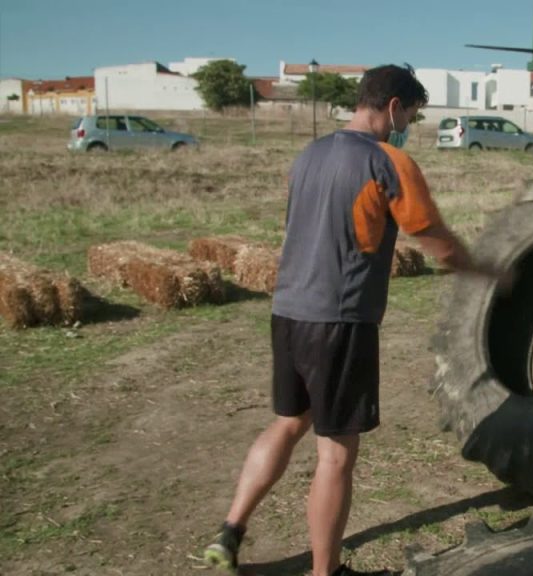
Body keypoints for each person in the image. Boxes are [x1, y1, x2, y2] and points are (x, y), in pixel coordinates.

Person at [203, 64, 504, 576]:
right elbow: (434, 239)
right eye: (411, 115)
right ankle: (327, 572)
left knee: (289, 422)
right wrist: (491, 272)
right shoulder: (389, 161)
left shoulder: (309, 155)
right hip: (339, 321)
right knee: (336, 455)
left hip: (288, 310)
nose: (409, 125)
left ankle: (229, 532)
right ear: (394, 106)